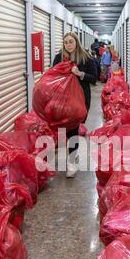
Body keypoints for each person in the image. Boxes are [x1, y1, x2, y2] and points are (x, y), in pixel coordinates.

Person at [53, 32, 97, 177]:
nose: (68, 45)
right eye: (66, 42)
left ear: (76, 42)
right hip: (63, 99)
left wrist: (80, 74)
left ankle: (72, 161)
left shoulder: (86, 58)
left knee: (74, 128)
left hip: (80, 99)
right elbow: (52, 75)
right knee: (64, 129)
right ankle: (72, 156)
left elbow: (94, 78)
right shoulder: (59, 58)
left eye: (71, 42)